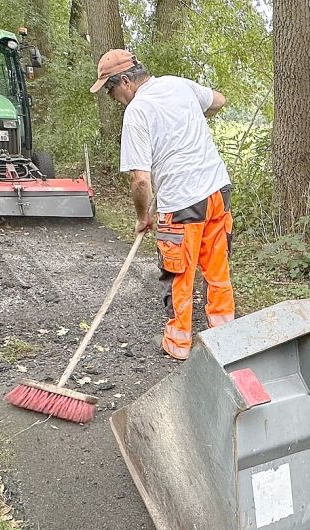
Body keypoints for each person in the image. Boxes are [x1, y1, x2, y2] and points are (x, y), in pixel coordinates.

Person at [90, 49, 234, 361]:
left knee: (179, 273)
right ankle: (226, 337)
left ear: (125, 81)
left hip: (182, 203)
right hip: (217, 191)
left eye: (112, 91)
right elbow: (219, 100)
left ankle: (178, 343)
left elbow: (140, 181)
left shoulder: (138, 111)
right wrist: (189, 117)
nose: (115, 98)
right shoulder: (178, 84)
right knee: (216, 267)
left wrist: (143, 217)